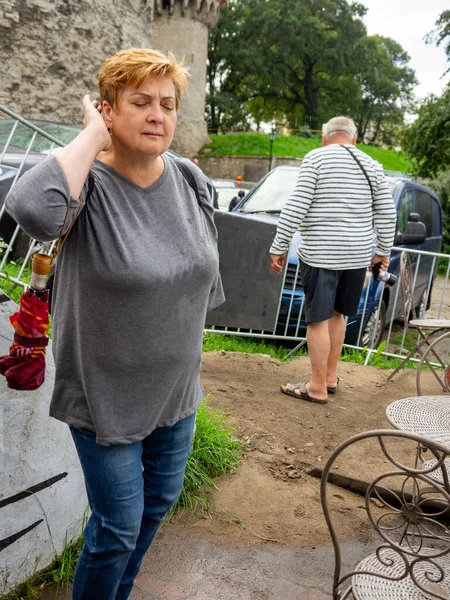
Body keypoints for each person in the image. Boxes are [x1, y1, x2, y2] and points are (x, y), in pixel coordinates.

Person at [6, 48, 224, 599]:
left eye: (169, 105)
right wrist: (89, 139)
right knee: (117, 527)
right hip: (105, 397)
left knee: (152, 512)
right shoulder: (88, 190)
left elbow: (200, 277)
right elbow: (30, 208)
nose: (159, 115)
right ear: (108, 110)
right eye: (141, 102)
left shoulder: (191, 180)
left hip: (175, 395)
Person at [269, 116, 396, 404]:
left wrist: (279, 245)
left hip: (321, 254)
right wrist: (382, 252)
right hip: (356, 256)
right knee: (338, 315)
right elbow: (387, 214)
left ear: (324, 138)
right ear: (354, 139)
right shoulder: (372, 165)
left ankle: (316, 387)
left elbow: (297, 205)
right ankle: (330, 377)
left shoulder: (316, 158)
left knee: (317, 321)